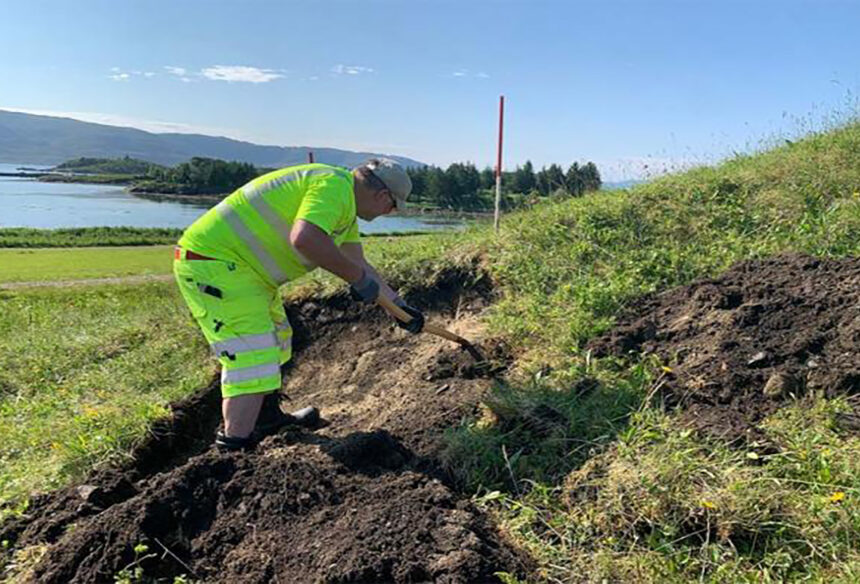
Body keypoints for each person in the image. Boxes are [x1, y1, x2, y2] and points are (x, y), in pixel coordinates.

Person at [172, 158, 425, 450]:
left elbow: (358, 262)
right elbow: (306, 238)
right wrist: (356, 279)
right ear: (383, 196)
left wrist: (397, 306)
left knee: (278, 338)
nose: (387, 213)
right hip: (216, 266)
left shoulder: (344, 205)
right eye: (392, 207)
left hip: (245, 274)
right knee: (252, 357)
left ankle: (266, 419)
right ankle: (233, 450)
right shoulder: (333, 187)